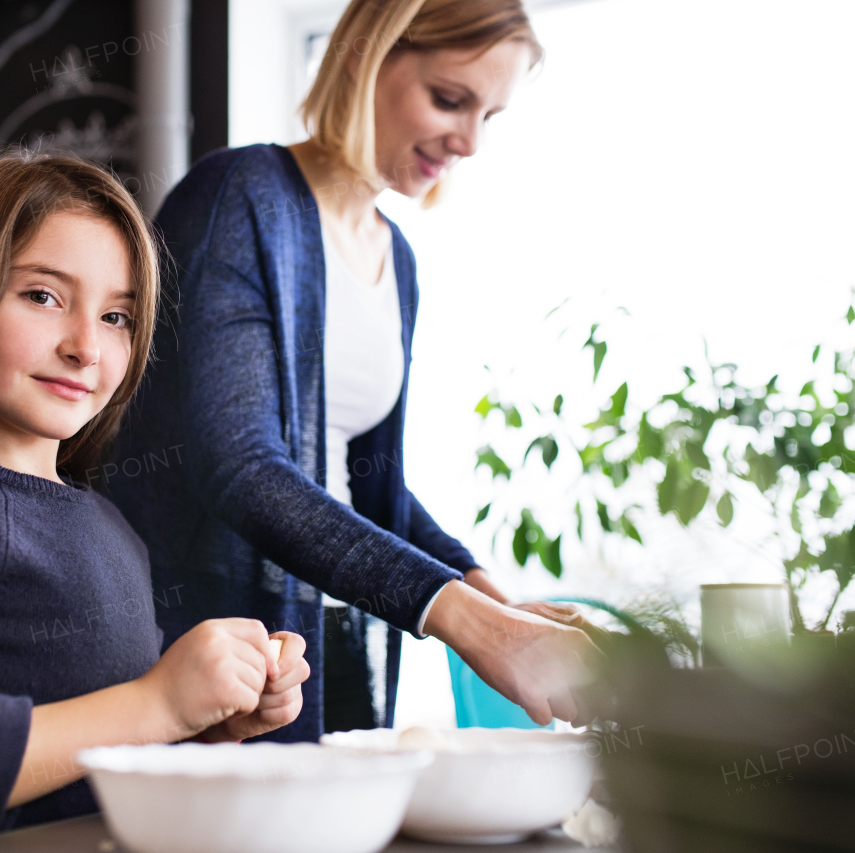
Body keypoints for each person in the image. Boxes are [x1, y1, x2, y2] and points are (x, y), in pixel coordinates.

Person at [107, 0, 597, 740]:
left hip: (340, 634)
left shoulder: (393, 258)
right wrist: (468, 622)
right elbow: (239, 465)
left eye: (488, 116)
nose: (466, 142)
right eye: (449, 99)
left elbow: (369, 482)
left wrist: (490, 598)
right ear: (366, 56)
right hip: (217, 650)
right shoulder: (238, 200)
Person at [0, 151, 310, 852]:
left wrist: (206, 721)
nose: (85, 347)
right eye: (43, 295)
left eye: (117, 317)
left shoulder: (112, 528)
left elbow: (101, 740)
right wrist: (155, 703)